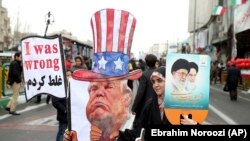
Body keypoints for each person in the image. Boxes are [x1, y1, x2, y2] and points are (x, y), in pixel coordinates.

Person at [63, 8, 142, 141]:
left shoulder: (136, 129)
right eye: (93, 88)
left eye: (109, 86)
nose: (99, 93)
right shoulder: (82, 128)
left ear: (127, 98)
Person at [88, 66, 199, 141]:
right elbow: (139, 131)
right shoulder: (150, 105)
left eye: (160, 81)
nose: (155, 85)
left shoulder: (182, 105)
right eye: (153, 82)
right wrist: (117, 134)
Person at [131, 54, 158, 128]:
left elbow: (140, 92)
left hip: (147, 104)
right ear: (155, 62)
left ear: (146, 62)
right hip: (159, 103)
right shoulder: (160, 72)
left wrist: (134, 107)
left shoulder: (145, 74)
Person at [52, 69, 71, 141]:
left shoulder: (73, 86)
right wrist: (65, 110)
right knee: (62, 133)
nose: (69, 77)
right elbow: (55, 101)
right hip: (64, 116)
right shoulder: (59, 87)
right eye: (67, 75)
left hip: (73, 116)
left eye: (70, 75)